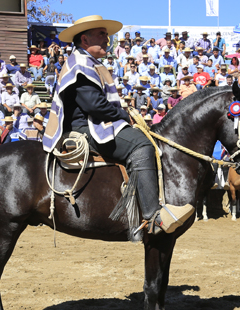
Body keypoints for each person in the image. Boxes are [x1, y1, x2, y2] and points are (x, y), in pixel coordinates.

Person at [43, 15, 195, 235]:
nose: (107, 39)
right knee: (141, 144)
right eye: (102, 35)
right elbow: (94, 106)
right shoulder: (80, 65)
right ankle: (153, 216)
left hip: (92, 123)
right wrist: (124, 114)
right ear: (85, 40)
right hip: (85, 128)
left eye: (107, 35)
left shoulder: (85, 62)